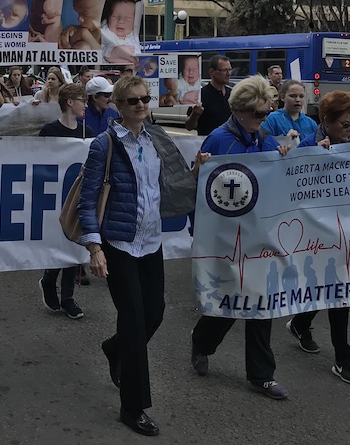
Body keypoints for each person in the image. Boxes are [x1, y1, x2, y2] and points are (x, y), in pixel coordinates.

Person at [77, 75, 209, 437]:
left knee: (155, 312)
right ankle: (132, 407)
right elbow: (89, 199)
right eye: (132, 101)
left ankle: (114, 348)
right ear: (118, 106)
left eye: (144, 99)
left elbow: (174, 185)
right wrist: (94, 247)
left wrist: (198, 169)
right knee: (134, 320)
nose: (140, 105)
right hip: (118, 244)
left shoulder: (157, 139)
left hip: (151, 241)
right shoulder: (104, 145)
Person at [190, 76, 294, 398]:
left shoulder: (263, 138)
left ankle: (261, 374)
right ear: (239, 110)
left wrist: (286, 156)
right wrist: (199, 168)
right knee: (231, 302)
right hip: (226, 236)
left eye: (266, 114)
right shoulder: (219, 140)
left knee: (261, 303)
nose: (262, 120)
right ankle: (202, 342)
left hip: (259, 234)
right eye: (258, 114)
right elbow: (197, 189)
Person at [290, 91, 350, 385]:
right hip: (317, 233)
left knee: (331, 287)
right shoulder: (310, 146)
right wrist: (313, 158)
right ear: (326, 121)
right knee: (338, 290)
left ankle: (301, 322)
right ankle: (342, 358)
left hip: (346, 229)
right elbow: (293, 182)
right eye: (345, 125)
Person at [38, 83, 92, 319]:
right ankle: (49, 279)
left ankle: (68, 298)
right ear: (70, 102)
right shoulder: (49, 131)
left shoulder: (86, 132)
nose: (85, 105)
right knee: (58, 243)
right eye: (82, 100)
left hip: (78, 197)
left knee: (74, 243)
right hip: (54, 196)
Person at [184, 55, 233, 135]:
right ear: (212, 72)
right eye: (224, 70)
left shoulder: (233, 94)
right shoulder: (201, 95)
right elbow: (189, 127)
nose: (228, 74)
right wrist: (195, 114)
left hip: (229, 143)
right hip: (209, 143)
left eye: (230, 70)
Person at [262, 80, 317, 145]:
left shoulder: (311, 123)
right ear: (282, 97)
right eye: (293, 96)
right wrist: (285, 139)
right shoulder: (272, 119)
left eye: (301, 96)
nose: (298, 100)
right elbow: (264, 144)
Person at [99, 0, 141, 64]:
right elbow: (103, 55)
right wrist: (115, 52)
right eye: (115, 16)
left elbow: (137, 58)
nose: (121, 21)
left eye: (128, 18)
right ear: (108, 18)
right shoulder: (104, 33)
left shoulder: (133, 37)